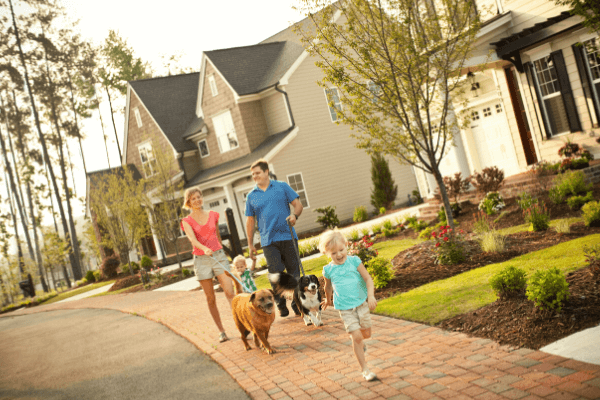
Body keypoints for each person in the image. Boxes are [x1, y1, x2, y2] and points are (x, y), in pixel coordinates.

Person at [245, 158, 303, 317]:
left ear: (266, 172)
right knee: (275, 273)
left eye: (257, 173)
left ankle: (296, 302)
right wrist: (250, 244)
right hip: (268, 241)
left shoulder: (282, 186)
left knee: (293, 272)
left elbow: (298, 204)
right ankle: (280, 302)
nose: (255, 176)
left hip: (288, 236)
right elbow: (250, 221)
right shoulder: (251, 196)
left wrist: (294, 215)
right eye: (253, 174)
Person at [319, 229, 378, 381]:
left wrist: (370, 296)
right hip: (345, 308)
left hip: (361, 304)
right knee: (356, 336)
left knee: (366, 334)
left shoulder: (354, 261)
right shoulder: (328, 270)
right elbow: (328, 287)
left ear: (346, 246)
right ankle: (365, 370)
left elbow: (368, 279)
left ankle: (361, 343)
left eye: (341, 250)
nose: (338, 255)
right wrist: (328, 299)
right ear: (326, 253)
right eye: (333, 253)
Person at [181, 187, 235, 343]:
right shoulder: (186, 221)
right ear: (188, 202)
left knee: (230, 293)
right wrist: (204, 248)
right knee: (210, 298)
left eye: (199, 197)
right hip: (201, 260)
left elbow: (217, 236)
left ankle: (241, 324)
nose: (197, 200)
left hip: (218, 256)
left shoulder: (213, 215)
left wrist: (219, 250)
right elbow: (192, 239)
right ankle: (221, 331)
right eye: (193, 198)